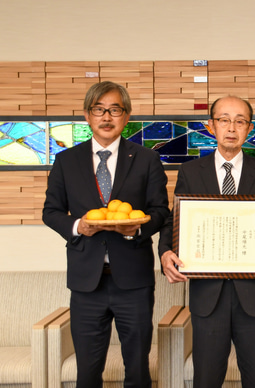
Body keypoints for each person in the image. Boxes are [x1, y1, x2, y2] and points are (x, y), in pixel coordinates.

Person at [158, 95, 255, 388]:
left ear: (249, 128)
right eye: (224, 120)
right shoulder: (190, 172)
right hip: (208, 296)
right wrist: (164, 253)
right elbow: (174, 222)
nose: (231, 128)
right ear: (211, 126)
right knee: (206, 379)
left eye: (240, 121)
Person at [42, 81, 170, 387]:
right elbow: (51, 211)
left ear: (126, 117)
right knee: (87, 371)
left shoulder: (145, 159)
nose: (106, 117)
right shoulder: (66, 160)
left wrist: (136, 228)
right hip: (86, 282)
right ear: (87, 115)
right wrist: (79, 227)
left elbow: (161, 211)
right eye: (99, 109)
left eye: (115, 109)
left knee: (138, 368)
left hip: (133, 281)